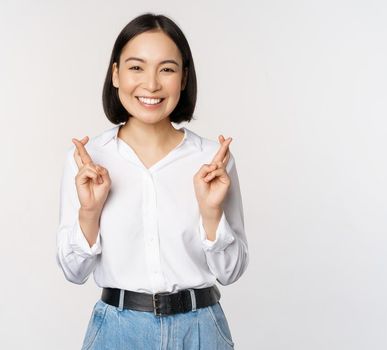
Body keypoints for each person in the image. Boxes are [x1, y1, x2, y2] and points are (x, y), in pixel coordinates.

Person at [55, 13, 249, 349]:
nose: (152, 84)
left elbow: (230, 273)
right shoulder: (89, 160)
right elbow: (74, 272)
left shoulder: (211, 161)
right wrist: (89, 212)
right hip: (117, 332)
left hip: (201, 330)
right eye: (136, 67)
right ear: (115, 74)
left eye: (167, 69)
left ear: (184, 78)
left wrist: (211, 214)